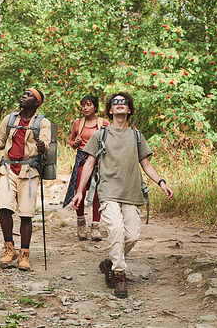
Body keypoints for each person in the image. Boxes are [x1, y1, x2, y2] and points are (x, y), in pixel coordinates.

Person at [72, 92, 173, 298]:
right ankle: (119, 275)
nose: (119, 104)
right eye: (115, 102)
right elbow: (89, 163)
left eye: (123, 102)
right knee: (116, 229)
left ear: (129, 109)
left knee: (132, 235)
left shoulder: (136, 136)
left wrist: (161, 182)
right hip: (108, 191)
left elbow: (145, 164)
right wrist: (79, 192)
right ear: (110, 109)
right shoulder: (100, 135)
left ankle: (109, 263)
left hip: (131, 192)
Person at [0, 88, 50, 271]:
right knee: (4, 207)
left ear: (36, 103)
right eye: (23, 94)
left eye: (28, 95)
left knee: (26, 213)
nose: (23, 96)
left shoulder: (43, 122)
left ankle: (24, 253)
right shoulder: (10, 119)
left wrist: (42, 147)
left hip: (29, 169)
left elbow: (46, 144)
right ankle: (9, 248)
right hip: (8, 167)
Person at [63, 95, 109, 241]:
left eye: (89, 105)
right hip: (82, 159)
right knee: (80, 190)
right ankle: (81, 223)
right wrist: (75, 142)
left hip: (100, 160)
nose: (85, 108)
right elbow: (71, 142)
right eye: (83, 105)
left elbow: (110, 141)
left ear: (95, 107)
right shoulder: (78, 123)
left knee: (98, 193)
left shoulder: (104, 123)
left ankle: (96, 226)